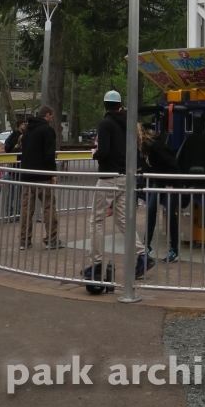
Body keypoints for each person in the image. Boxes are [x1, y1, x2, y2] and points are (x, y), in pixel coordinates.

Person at [84, 91, 151, 286]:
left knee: (96, 219)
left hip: (109, 177)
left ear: (105, 105)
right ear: (120, 105)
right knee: (122, 219)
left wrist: (95, 154)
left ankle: (96, 265)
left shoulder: (106, 124)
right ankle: (142, 256)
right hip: (124, 176)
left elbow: (104, 152)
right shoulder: (128, 123)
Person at [19, 106, 63, 250]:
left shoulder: (27, 130)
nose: (53, 119)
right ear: (48, 115)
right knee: (49, 207)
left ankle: (24, 240)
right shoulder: (47, 130)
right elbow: (49, 154)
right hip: (42, 175)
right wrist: (53, 173)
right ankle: (52, 238)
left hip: (27, 175)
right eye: (52, 116)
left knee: (27, 209)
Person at [138, 124, 180, 263]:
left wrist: (170, 181)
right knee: (151, 210)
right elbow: (147, 164)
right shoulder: (144, 148)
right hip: (159, 181)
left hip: (170, 181)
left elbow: (172, 162)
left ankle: (174, 249)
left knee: (170, 214)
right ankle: (147, 245)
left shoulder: (156, 146)